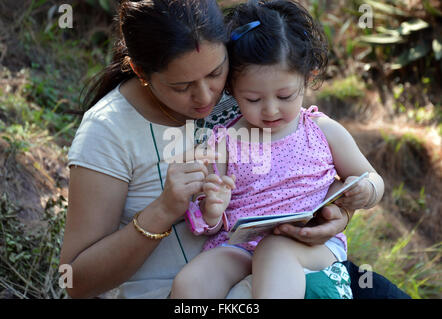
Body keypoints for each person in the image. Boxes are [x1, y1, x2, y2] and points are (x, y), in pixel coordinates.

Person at [60, 0, 397, 299]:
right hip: (227, 262)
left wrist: (340, 208)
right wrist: (167, 210)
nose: (207, 97)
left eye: (216, 74)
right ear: (139, 70)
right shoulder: (107, 133)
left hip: (301, 259)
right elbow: (76, 281)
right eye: (182, 87)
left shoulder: (253, 80)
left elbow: (345, 175)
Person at [170, 0, 384, 299]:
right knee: (192, 282)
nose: (270, 110)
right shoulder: (225, 142)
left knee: (274, 250)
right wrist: (212, 210)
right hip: (241, 246)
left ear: (307, 78)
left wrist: (366, 191)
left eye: (284, 95)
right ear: (232, 90)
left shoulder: (323, 130)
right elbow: (209, 220)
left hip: (310, 245)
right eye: (253, 99)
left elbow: (371, 179)